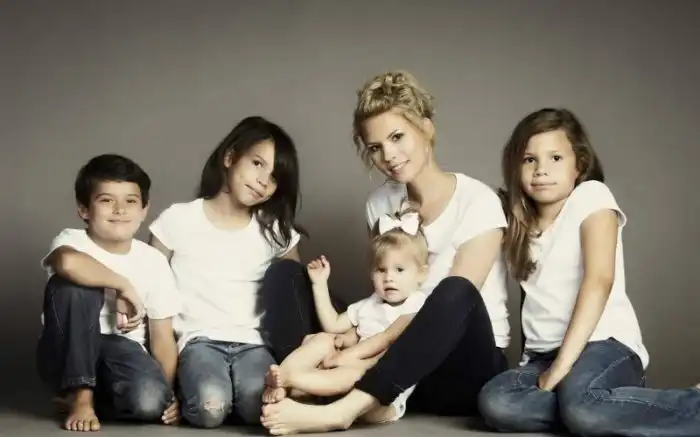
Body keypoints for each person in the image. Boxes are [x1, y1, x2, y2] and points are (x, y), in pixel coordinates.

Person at [259, 70, 510, 435]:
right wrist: (349, 341)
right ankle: (298, 387)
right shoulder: (380, 203)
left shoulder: (478, 201)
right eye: (375, 147)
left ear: (426, 129)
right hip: (395, 369)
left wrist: (361, 352)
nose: (388, 156)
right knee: (287, 275)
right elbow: (386, 292)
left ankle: (342, 410)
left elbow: (452, 306)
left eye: (397, 137)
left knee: (455, 289)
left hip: (459, 370)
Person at [477, 107, 700, 436]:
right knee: (497, 403)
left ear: (579, 165)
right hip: (543, 355)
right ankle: (601, 406)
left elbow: (599, 280)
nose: (541, 170)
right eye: (529, 160)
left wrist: (560, 370)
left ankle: (687, 405)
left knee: (583, 408)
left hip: (603, 346)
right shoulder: (520, 223)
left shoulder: (591, 196)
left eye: (555, 158)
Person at [148, 116, 305, 428]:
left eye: (274, 177)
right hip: (198, 341)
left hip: (255, 345)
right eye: (257, 163)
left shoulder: (274, 230)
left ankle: (232, 392)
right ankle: (198, 388)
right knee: (210, 407)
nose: (263, 181)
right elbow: (149, 293)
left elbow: (296, 295)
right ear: (230, 157)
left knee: (258, 408)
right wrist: (165, 381)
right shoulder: (178, 219)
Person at [37, 154, 182, 432]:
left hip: (122, 351)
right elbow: (67, 262)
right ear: (84, 210)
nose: (120, 210)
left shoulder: (153, 260)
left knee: (151, 402)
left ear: (144, 209)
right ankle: (80, 396)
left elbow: (162, 336)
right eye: (106, 200)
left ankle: (90, 399)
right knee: (72, 285)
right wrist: (121, 285)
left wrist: (168, 392)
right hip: (66, 347)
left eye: (131, 201)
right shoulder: (72, 241)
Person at [263, 208, 429, 424]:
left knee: (359, 373)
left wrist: (345, 357)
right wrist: (319, 284)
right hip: (344, 369)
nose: (389, 277)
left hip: (381, 392)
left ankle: (295, 382)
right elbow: (333, 324)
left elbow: (385, 340)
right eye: (381, 270)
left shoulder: (418, 305)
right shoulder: (369, 304)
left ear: (421, 274)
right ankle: (284, 381)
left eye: (399, 270)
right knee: (321, 339)